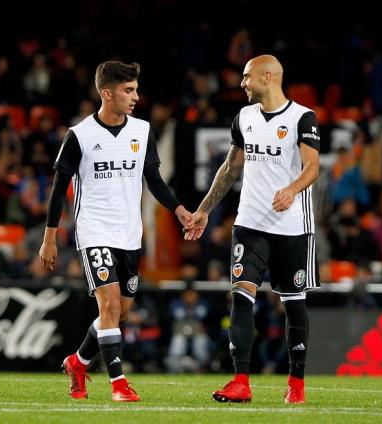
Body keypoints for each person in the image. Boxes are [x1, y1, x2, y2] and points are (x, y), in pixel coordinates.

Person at [39, 61, 192, 402]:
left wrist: (179, 209)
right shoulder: (79, 136)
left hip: (129, 235)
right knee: (107, 306)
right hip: (94, 231)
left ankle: (77, 362)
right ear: (106, 93)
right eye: (128, 90)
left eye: (136, 89)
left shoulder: (142, 131)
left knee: (119, 313)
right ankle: (119, 384)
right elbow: (57, 189)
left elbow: (153, 179)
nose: (136, 96)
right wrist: (49, 238)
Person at [184, 55, 321, 404]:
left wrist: (291, 190)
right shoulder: (244, 118)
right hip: (250, 224)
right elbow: (230, 168)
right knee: (242, 294)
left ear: (269, 76)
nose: (242, 83)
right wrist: (203, 210)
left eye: (247, 77)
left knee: (293, 302)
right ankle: (241, 380)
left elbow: (313, 167)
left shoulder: (301, 118)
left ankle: (296, 384)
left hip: (292, 226)